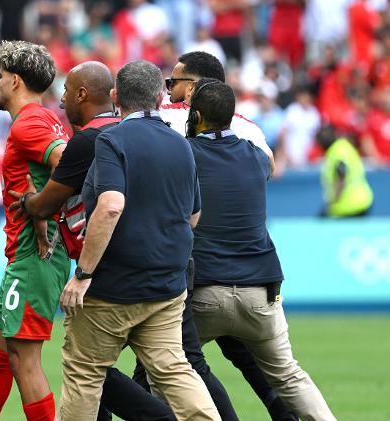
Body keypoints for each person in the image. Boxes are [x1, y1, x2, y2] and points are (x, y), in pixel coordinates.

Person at [9, 60, 230, 421]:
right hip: (167, 286)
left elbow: (110, 206)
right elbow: (193, 215)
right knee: (175, 371)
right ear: (160, 97)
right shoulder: (181, 144)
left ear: (115, 97)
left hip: (114, 287)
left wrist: (82, 275)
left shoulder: (112, 139)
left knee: (85, 373)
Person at [186, 78, 337, 421]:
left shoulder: (186, 155)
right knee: (289, 376)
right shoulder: (254, 157)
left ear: (195, 117)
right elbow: (267, 159)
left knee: (165, 370)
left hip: (205, 292)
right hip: (261, 292)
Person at [158, 50, 297, 421]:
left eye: (174, 82)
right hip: (248, 268)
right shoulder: (249, 129)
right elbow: (264, 170)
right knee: (256, 363)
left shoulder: (163, 119)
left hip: (193, 269)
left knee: (166, 365)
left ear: (195, 89)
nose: (168, 90)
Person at [0, 40, 70, 421]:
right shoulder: (46, 118)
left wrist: (41, 207)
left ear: (14, 80)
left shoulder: (29, 123)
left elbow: (70, 165)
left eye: (0, 77)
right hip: (28, 256)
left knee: (22, 357)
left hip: (35, 257)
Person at [316, 125, 373, 218]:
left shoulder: (338, 150)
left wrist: (332, 202)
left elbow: (341, 175)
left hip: (349, 205)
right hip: (361, 200)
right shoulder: (344, 146)